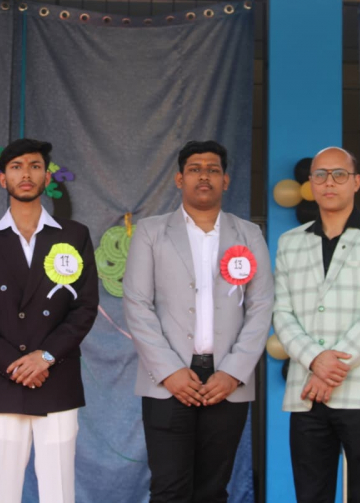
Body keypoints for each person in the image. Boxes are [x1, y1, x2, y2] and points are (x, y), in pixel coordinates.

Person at [123, 140, 274, 503]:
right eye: (194, 169)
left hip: (226, 382)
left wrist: (233, 372)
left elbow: (261, 306)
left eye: (213, 170)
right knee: (169, 490)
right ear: (180, 179)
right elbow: (137, 304)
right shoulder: (151, 231)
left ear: (226, 180)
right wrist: (169, 371)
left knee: (212, 490)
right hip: (168, 381)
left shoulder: (248, 234)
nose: (203, 176)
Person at [0, 138, 98, 503]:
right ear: (2, 179)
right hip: (4, 380)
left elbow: (85, 307)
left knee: (59, 492)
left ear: (47, 177)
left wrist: (45, 357)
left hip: (57, 377)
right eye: (16, 167)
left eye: (35, 166)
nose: (26, 174)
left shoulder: (74, 235)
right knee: (3, 493)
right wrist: (14, 364)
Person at [273, 147, 360, 503]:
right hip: (306, 393)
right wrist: (315, 360)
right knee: (310, 493)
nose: (329, 182)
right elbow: (282, 313)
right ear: (310, 184)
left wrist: (329, 369)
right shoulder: (290, 242)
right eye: (320, 175)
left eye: (339, 174)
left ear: (356, 182)